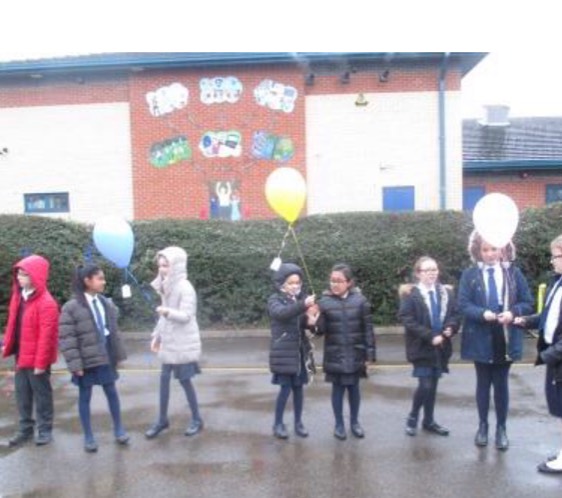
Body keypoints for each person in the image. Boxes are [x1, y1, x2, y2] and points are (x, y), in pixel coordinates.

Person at [458, 231, 533, 451]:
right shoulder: (470, 274)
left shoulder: (513, 273)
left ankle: (501, 429)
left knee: (501, 384)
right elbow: (463, 304)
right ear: (478, 251)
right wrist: (483, 314)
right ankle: (483, 426)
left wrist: (512, 312)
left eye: (494, 249)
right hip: (480, 334)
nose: (490, 254)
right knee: (483, 383)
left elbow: (527, 302)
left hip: (505, 335)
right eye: (485, 249)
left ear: (502, 249)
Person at [58, 264, 129, 453]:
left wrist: (118, 355)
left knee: (111, 391)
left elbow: (114, 332)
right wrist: (75, 365)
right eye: (100, 278)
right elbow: (67, 339)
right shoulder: (71, 307)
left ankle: (119, 429)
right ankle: (88, 436)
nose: (104, 282)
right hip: (85, 359)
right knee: (85, 396)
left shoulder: (105, 303)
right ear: (87, 281)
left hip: (105, 355)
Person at [311, 263, 376, 440]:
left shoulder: (360, 301)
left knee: (354, 389)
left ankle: (355, 422)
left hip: (356, 353)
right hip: (335, 355)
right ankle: (339, 424)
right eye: (332, 280)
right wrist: (313, 319)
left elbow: (368, 329)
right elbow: (319, 332)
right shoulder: (324, 302)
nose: (335, 284)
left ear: (349, 282)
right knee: (337, 390)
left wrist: (369, 354)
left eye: (339, 281)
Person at [515, 234, 562, 474]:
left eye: (555, 256)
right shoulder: (557, 283)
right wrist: (524, 320)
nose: (552, 261)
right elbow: (548, 317)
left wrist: (550, 355)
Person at [398, 256, 461, 437]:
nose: (431, 273)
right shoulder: (411, 294)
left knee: (433, 385)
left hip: (440, 348)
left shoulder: (446, 293)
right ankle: (412, 417)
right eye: (427, 270)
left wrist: (451, 327)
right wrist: (429, 336)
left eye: (434, 269)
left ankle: (429, 421)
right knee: (425, 385)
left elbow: (455, 315)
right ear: (418, 274)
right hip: (421, 347)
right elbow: (406, 319)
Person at [145, 246, 204, 439]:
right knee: (163, 380)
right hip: (169, 341)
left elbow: (187, 316)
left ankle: (197, 419)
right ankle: (162, 420)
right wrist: (156, 336)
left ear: (177, 266)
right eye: (160, 265)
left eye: (166, 265)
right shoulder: (166, 285)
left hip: (183, 343)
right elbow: (164, 317)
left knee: (185, 381)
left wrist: (167, 312)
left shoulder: (185, 287)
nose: (162, 269)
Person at [2, 254, 59, 447]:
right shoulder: (19, 297)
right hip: (21, 356)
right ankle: (25, 429)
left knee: (42, 397)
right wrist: (7, 343)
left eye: (24, 274)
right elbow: (13, 324)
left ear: (36, 276)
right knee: (22, 395)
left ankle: (45, 430)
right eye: (18, 273)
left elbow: (47, 337)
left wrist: (41, 364)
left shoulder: (47, 303)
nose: (19, 277)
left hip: (37, 360)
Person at [268, 262, 316, 439]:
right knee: (285, 389)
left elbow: (303, 324)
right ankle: (278, 423)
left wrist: (311, 320)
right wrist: (303, 304)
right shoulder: (275, 300)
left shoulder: (299, 300)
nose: (295, 286)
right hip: (284, 352)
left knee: (298, 388)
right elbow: (282, 314)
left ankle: (298, 423)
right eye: (291, 283)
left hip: (299, 352)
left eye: (297, 282)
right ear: (282, 284)